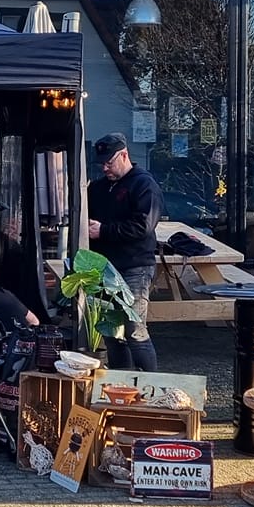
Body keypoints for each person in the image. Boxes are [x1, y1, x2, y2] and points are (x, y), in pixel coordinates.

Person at [85, 132, 162, 371]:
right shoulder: (98, 188)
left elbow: (143, 226)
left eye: (109, 162)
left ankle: (152, 383)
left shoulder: (144, 184)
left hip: (135, 265)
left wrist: (103, 231)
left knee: (134, 330)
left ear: (124, 155)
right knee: (112, 333)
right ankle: (120, 383)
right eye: (101, 164)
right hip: (105, 267)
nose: (105, 168)